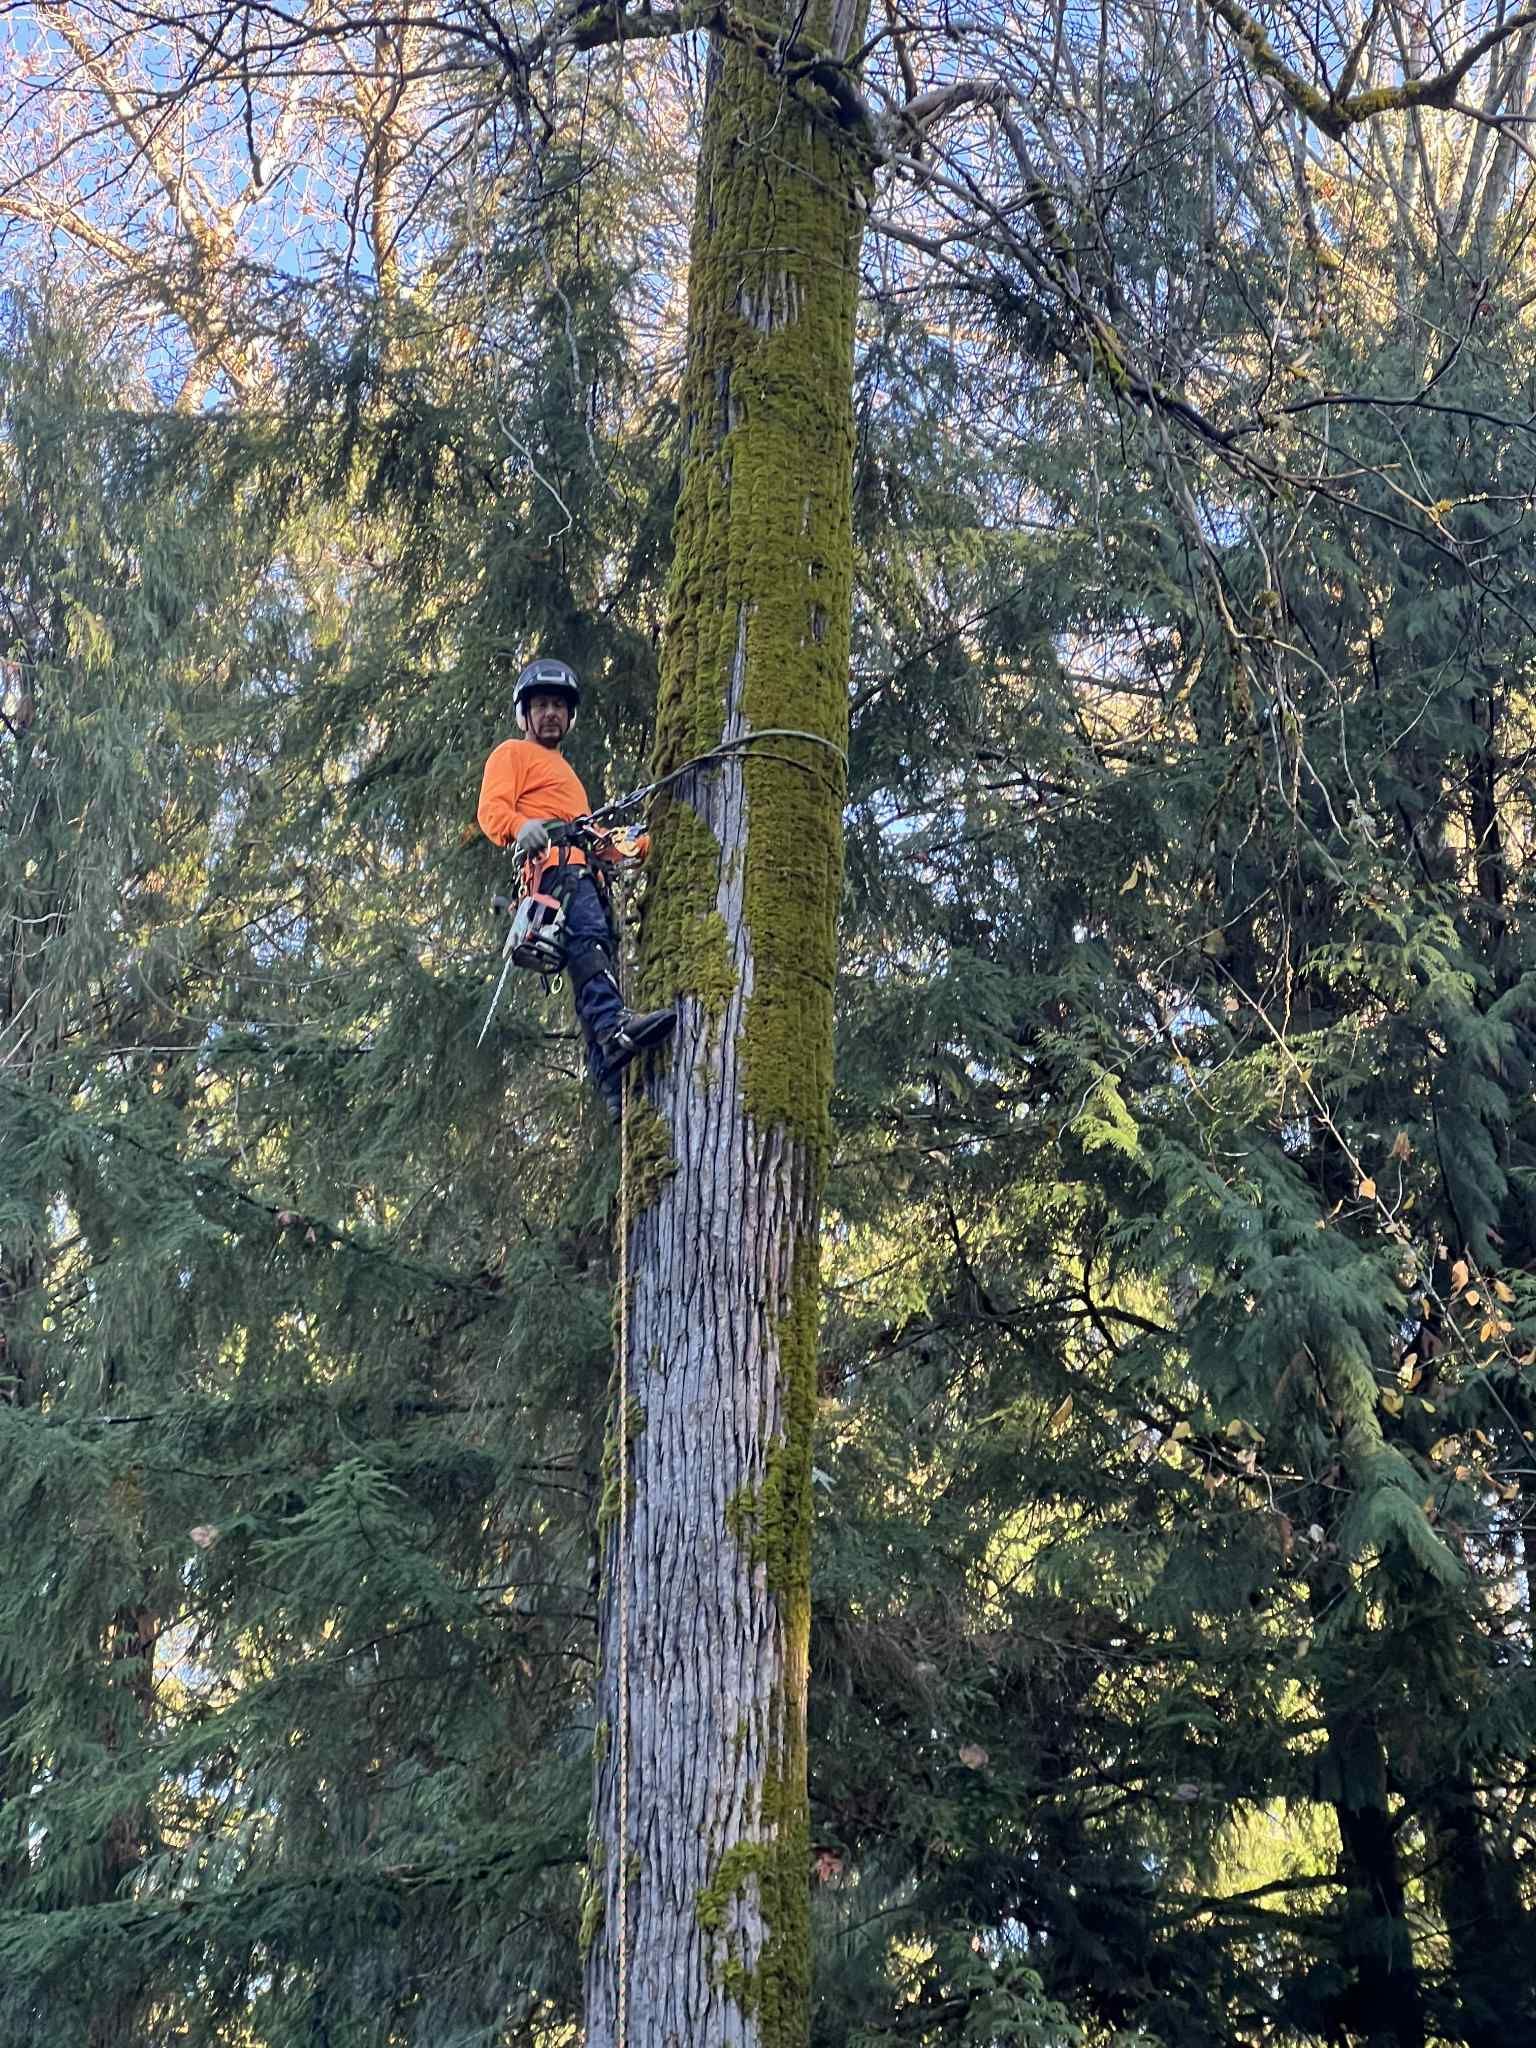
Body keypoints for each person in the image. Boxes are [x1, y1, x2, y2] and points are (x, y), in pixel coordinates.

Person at [478, 656, 676, 1117]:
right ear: (525, 714)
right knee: (589, 942)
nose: (551, 713)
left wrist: (640, 844)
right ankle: (612, 1026)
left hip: (583, 869)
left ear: (569, 716)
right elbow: (492, 810)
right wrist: (518, 825)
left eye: (558, 707)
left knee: (593, 953)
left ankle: (611, 1084)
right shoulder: (512, 754)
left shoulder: (568, 779)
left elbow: (587, 834)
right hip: (554, 873)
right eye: (542, 705)